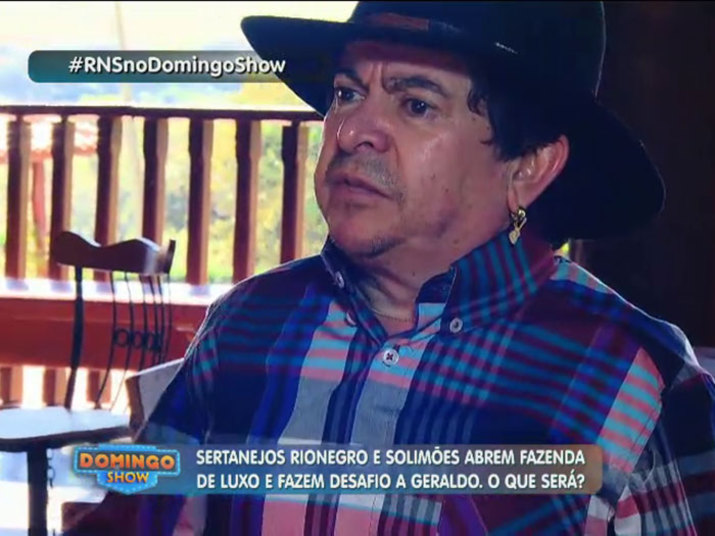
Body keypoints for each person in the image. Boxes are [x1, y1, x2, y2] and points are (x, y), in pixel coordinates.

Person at [66, 2, 715, 535]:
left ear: (528, 167)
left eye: (416, 104)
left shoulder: (631, 381)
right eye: (347, 93)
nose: (352, 132)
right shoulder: (246, 327)